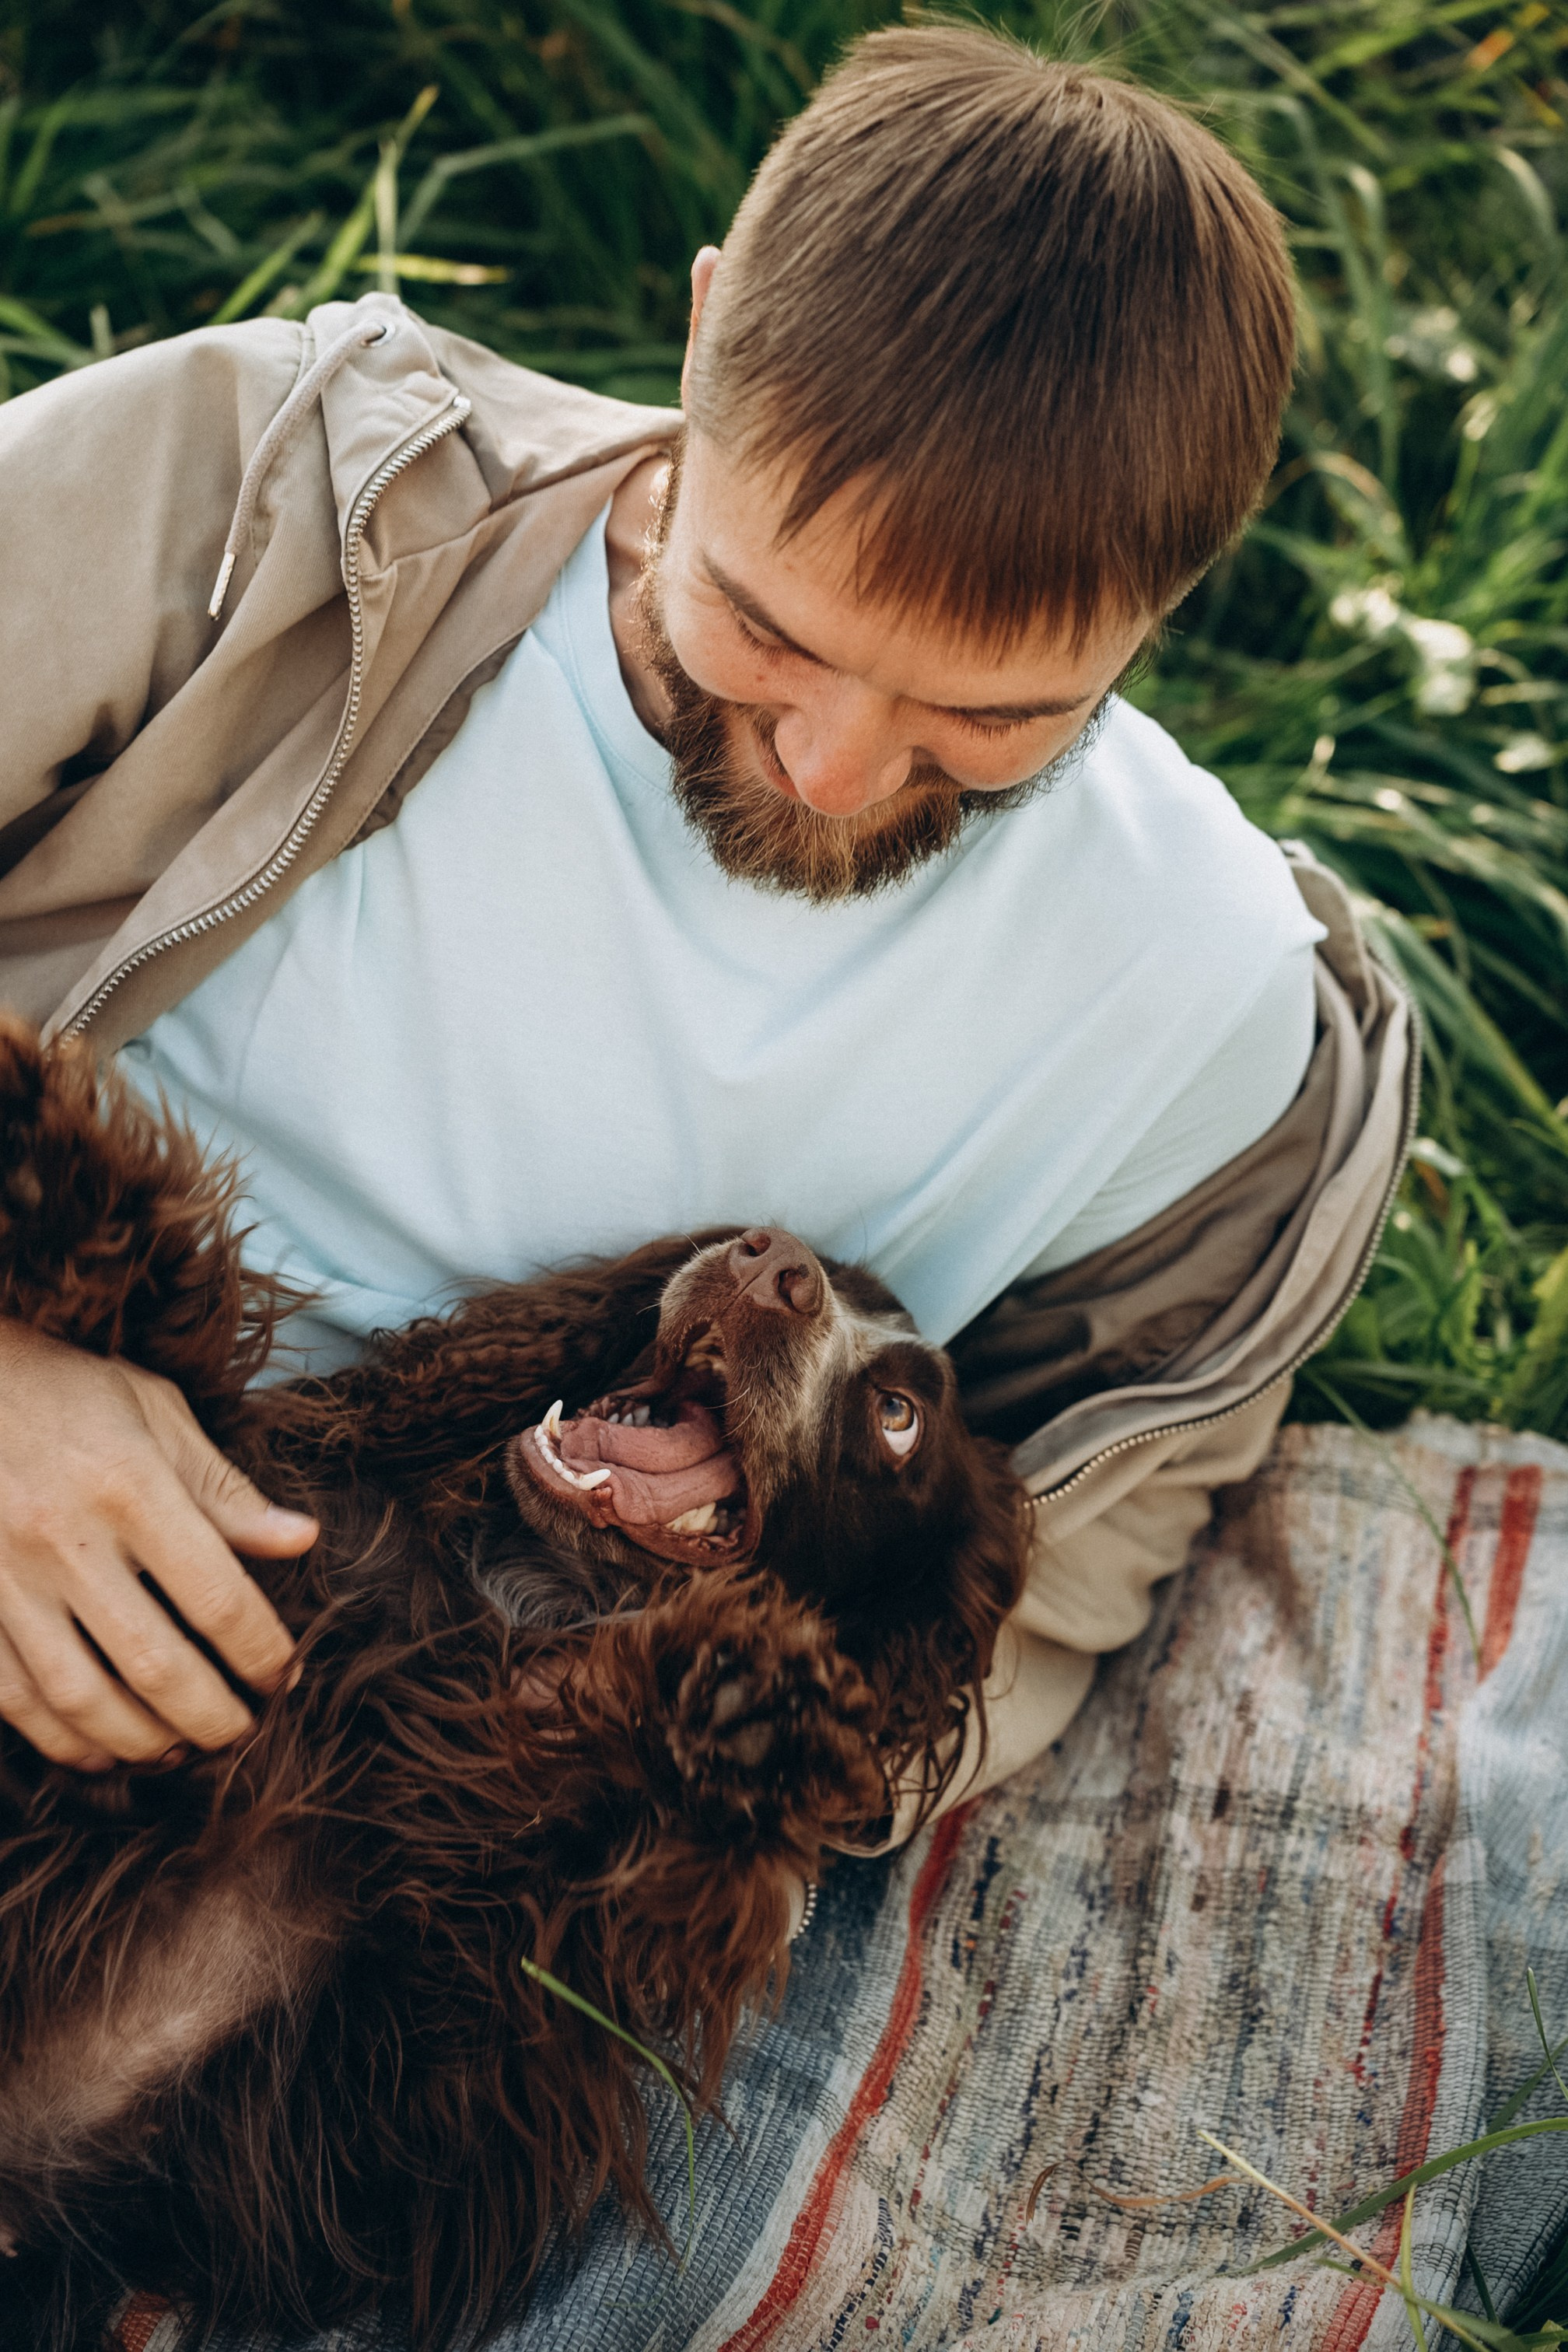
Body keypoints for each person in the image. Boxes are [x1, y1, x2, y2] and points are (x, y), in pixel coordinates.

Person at [0, 25, 1411, 1812]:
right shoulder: (271, 499)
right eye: (768, 629)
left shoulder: (1205, 1022)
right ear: (702, 329)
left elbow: (1030, 1594)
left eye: (988, 719)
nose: (831, 770)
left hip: (387, 1790)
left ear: (1181, 587)